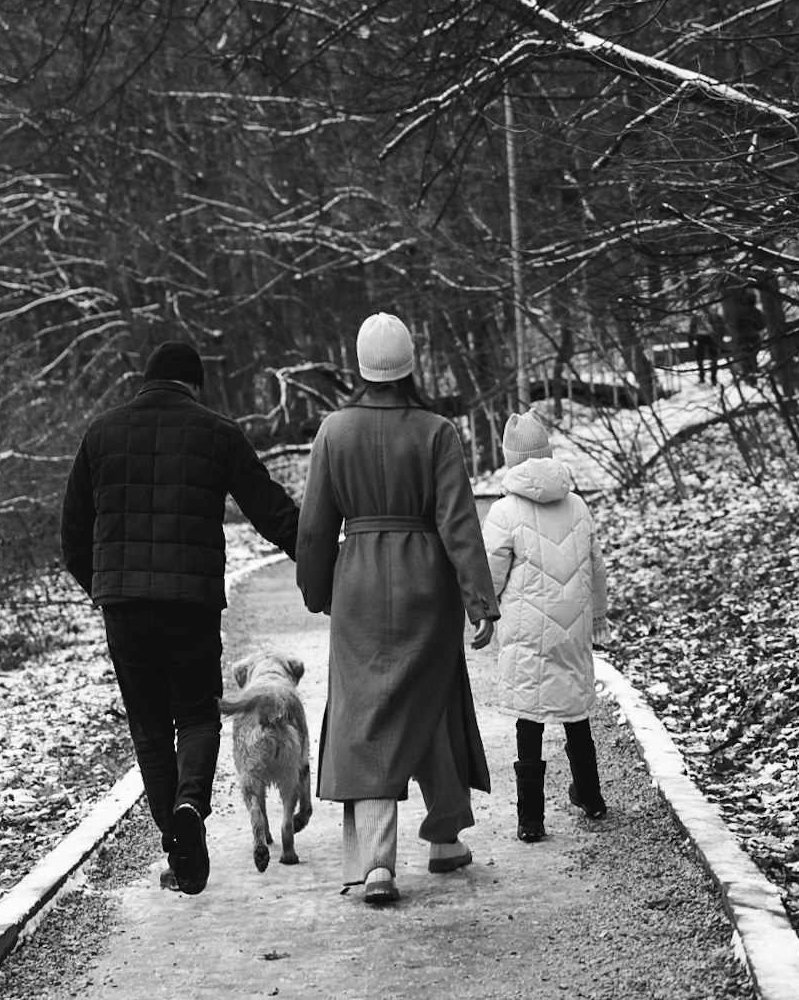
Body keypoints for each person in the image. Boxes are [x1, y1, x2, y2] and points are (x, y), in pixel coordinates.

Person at [60, 339, 300, 896]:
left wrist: (102, 589)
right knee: (195, 716)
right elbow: (270, 509)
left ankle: (180, 845)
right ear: (193, 385)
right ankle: (191, 802)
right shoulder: (216, 432)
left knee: (148, 725)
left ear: (147, 379)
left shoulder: (100, 432)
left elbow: (73, 533)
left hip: (123, 607)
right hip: (189, 605)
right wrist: (321, 563)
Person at [296, 312, 499, 906]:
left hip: (358, 580)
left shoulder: (334, 431)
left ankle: (376, 864)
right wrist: (478, 599)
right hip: (425, 581)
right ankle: (443, 839)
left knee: (366, 716)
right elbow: (459, 522)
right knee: (430, 697)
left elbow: (314, 528)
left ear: (360, 365)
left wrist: (316, 587)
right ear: (412, 363)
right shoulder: (437, 431)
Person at [476, 406, 609, 841]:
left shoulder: (503, 512)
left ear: (510, 458)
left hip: (526, 631)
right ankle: (590, 795)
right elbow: (596, 567)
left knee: (529, 720)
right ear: (547, 452)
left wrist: (483, 612)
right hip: (572, 627)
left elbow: (491, 574)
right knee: (575, 711)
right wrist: (599, 616)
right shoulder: (577, 504)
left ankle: (530, 819)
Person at [687, 309, 719, 385]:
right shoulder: (697, 315)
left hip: (711, 338)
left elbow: (718, 326)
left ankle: (712, 379)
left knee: (713, 358)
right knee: (700, 359)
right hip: (702, 337)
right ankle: (703, 378)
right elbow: (692, 327)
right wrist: (690, 340)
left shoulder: (711, 313)